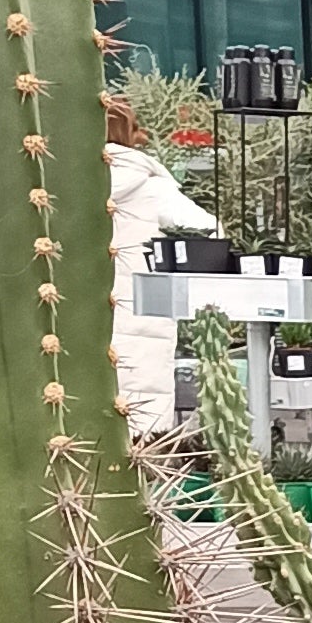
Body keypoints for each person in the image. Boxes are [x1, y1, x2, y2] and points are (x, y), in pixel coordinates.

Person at [105, 92, 223, 444]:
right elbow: (211, 232)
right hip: (143, 318)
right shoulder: (152, 188)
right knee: (142, 433)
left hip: (71, 321)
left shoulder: (61, 187)